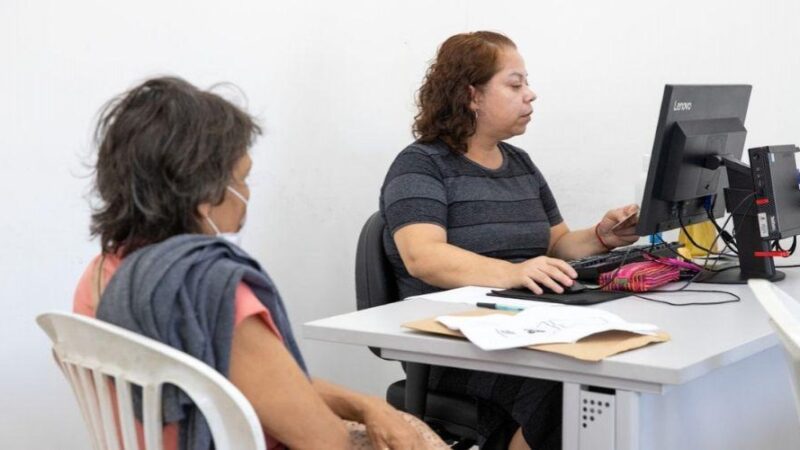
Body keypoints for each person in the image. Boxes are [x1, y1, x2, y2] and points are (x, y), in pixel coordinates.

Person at [73, 76, 448, 450]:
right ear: (204, 197)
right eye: (243, 178)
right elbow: (326, 442)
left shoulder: (99, 279)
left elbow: (252, 381)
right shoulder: (215, 293)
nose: (247, 194)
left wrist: (365, 405)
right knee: (414, 434)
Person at [379, 32, 639, 450]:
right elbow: (422, 257)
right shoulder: (421, 165)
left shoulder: (519, 163)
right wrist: (514, 272)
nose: (530, 95)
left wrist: (600, 237)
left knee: (610, 371)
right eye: (515, 85)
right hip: (453, 344)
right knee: (568, 389)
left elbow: (555, 246)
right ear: (472, 96)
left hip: (524, 326)